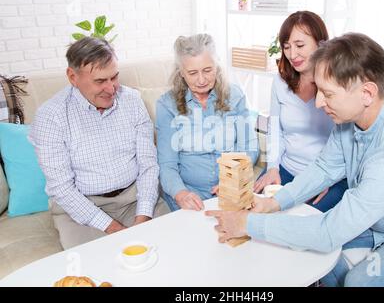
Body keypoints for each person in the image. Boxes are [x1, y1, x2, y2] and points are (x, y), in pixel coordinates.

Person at [206, 33, 384, 287]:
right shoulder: (356, 115)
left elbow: (327, 233)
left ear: (367, 93)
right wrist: (272, 203)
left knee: (359, 281)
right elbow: (325, 167)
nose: (319, 102)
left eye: (327, 94)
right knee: (302, 247)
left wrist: (248, 224)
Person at [29, 37, 160, 249]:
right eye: (100, 81)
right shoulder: (50, 117)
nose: (111, 88)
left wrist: (143, 217)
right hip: (82, 210)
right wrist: (115, 230)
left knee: (171, 250)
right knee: (98, 271)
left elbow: (148, 165)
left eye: (114, 77)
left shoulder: (133, 100)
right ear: (73, 77)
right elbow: (62, 188)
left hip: (136, 199)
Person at [253, 11, 347, 212]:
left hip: (327, 175)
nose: (292, 54)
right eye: (286, 47)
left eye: (300, 45)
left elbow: (348, 141)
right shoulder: (280, 81)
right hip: (286, 169)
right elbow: (275, 129)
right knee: (254, 209)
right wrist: (272, 167)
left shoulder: (338, 80)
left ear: (321, 43)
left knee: (301, 223)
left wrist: (329, 177)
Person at [156, 33, 259, 212]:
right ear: (181, 72)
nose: (201, 80)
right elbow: (167, 164)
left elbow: (248, 145)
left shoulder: (235, 95)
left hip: (232, 187)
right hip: (190, 193)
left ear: (217, 67)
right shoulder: (167, 105)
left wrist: (233, 179)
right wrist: (181, 194)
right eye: (193, 73)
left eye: (207, 70)